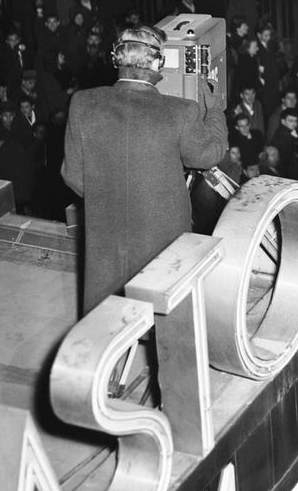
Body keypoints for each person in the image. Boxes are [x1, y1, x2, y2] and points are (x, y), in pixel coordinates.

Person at [62, 24, 227, 315]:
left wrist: (112, 196)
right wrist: (215, 110)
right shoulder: (182, 112)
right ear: (157, 62)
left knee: (106, 320)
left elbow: (72, 173)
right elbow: (209, 154)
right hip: (164, 242)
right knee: (168, 320)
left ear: (116, 59)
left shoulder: (82, 103)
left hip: (106, 236)